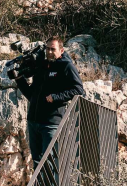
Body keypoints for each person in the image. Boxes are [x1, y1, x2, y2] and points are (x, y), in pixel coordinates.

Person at [11, 37, 84, 165]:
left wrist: (56, 97)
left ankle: (52, 180)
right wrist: (19, 80)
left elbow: (78, 90)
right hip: (33, 122)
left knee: (49, 163)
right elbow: (31, 95)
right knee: (37, 162)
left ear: (61, 50)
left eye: (53, 49)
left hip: (51, 123)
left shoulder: (66, 65)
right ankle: (39, 180)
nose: (49, 52)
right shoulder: (42, 66)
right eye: (47, 49)